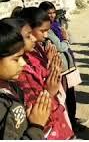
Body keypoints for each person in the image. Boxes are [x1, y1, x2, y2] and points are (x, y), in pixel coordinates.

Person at [17, 8, 74, 139]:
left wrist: (50, 64)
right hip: (44, 123)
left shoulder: (37, 48)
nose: (46, 35)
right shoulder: (19, 67)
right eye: (43, 31)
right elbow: (33, 103)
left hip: (55, 111)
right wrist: (49, 93)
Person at [39, 1, 88, 132]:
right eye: (48, 13)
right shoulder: (47, 31)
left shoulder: (56, 26)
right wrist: (65, 40)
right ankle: (70, 124)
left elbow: (69, 40)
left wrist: (66, 36)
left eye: (53, 12)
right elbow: (61, 47)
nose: (51, 16)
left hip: (68, 67)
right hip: (61, 70)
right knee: (65, 99)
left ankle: (73, 119)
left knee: (71, 97)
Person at [0, 21, 51, 139]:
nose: (23, 64)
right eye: (16, 59)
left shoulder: (10, 85)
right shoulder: (2, 105)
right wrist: (36, 127)